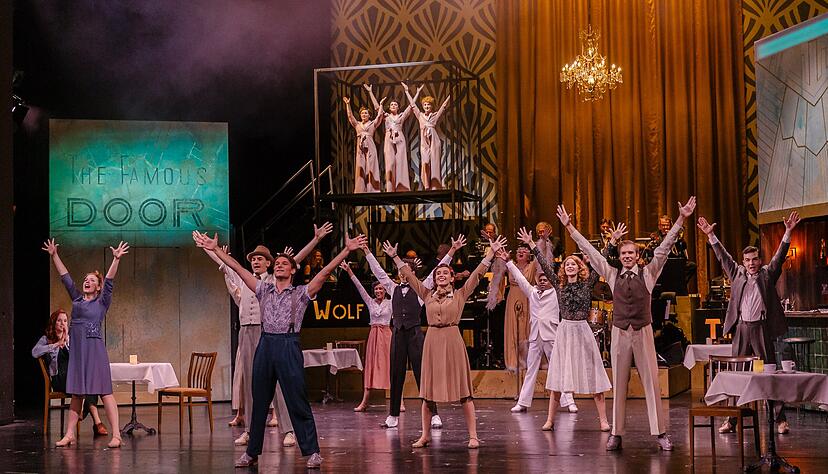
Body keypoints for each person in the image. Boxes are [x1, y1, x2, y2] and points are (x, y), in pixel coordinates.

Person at [194, 228, 367, 470]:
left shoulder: (301, 293)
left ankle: (312, 451)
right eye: (277, 264)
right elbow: (240, 270)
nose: (279, 266)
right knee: (259, 400)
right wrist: (215, 251)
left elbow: (326, 271)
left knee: (297, 400)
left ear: (293, 270)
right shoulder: (263, 289)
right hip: (266, 344)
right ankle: (252, 453)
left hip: (288, 344)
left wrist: (346, 250)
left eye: (285, 264)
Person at [560, 196, 696, 451]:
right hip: (621, 332)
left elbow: (666, 247)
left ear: (637, 255)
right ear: (619, 256)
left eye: (631, 253)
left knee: (652, 384)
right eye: (623, 253)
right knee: (619, 384)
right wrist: (569, 227)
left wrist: (681, 219)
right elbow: (589, 251)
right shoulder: (611, 274)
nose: (627, 257)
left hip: (643, 331)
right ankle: (616, 433)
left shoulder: (649, 273)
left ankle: (660, 433)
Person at [200, 223, 333, 448]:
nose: (255, 261)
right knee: (251, 384)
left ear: (269, 263)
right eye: (253, 259)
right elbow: (226, 264)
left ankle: (288, 430)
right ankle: (252, 430)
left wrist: (316, 240)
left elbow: (295, 261)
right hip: (246, 333)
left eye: (260, 259)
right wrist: (209, 249)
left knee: (280, 385)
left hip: (269, 333)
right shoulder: (244, 279)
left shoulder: (273, 282)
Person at [383, 234, 506, 449]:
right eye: (437, 273)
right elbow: (410, 277)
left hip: (452, 342)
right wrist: (395, 258)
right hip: (432, 342)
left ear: (451, 278)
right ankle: (425, 435)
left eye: (444, 273)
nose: (440, 275)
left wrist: (490, 254)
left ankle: (473, 435)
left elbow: (476, 276)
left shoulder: (460, 294)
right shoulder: (426, 294)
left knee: (464, 392)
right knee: (427, 392)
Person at [698, 211, 800, 435]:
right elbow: (723, 257)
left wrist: (788, 231)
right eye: (747, 260)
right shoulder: (737, 274)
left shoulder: (766, 275)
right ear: (743, 262)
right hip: (742, 330)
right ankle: (731, 420)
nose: (752, 263)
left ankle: (780, 419)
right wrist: (711, 236)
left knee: (768, 374)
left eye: (755, 259)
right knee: (737, 373)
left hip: (761, 330)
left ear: (759, 261)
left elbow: (779, 256)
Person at [363, 236, 468, 429]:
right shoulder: (392, 288)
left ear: (412, 272)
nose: (402, 274)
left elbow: (439, 270)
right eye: (400, 271)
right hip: (398, 335)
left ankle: (434, 414)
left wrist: (452, 251)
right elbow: (378, 272)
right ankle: (393, 414)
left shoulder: (423, 291)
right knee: (396, 373)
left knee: (423, 373)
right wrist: (367, 252)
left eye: (406, 271)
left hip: (415, 335)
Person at [512, 228, 610, 430]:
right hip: (565, 331)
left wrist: (612, 243)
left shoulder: (587, 284)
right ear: (563, 269)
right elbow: (546, 266)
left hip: (582, 330)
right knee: (557, 375)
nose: (570, 266)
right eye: (567, 265)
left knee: (594, 375)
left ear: (579, 267)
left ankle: (603, 420)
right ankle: (550, 420)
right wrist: (532, 244)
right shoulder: (559, 285)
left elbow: (600, 264)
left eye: (574, 264)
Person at [43, 238, 128, 449]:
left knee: (105, 392)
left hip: (95, 351)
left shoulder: (102, 301)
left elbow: (109, 280)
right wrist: (55, 255)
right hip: (79, 353)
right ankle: (70, 434)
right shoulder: (77, 300)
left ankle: (116, 435)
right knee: (77, 393)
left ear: (98, 287)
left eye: (91, 280)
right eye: (85, 279)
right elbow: (66, 279)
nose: (86, 281)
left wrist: (116, 259)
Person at [499, 230, 578, 417]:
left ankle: (569, 401)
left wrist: (536, 245)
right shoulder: (532, 292)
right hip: (535, 337)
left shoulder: (556, 292)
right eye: (540, 279)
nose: (542, 281)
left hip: (551, 335)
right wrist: (509, 262)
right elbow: (518, 278)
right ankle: (523, 402)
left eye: (545, 279)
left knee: (558, 369)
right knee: (530, 370)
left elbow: (544, 266)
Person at [32, 309, 107, 436]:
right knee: (85, 383)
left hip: (74, 377)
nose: (62, 323)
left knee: (90, 384)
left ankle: (95, 421)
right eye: (59, 321)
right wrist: (56, 345)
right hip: (59, 379)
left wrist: (67, 342)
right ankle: (92, 419)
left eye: (65, 321)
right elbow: (35, 352)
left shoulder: (71, 340)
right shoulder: (47, 339)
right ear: (54, 322)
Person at [339, 261, 392, 412]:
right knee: (370, 367)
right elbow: (359, 287)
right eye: (376, 289)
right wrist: (349, 271)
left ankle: (399, 401)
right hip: (374, 335)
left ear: (385, 290)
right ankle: (365, 401)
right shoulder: (370, 302)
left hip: (386, 335)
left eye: (381, 288)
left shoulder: (391, 302)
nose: (378, 291)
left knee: (390, 366)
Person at [365, 83, 418, 192]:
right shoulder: (386, 116)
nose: (393, 106)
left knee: (401, 161)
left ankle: (402, 188)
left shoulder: (402, 116)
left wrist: (410, 92)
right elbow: (376, 108)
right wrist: (370, 92)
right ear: (389, 107)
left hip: (399, 138)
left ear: (398, 107)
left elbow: (412, 106)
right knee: (390, 163)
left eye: (395, 104)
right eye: (391, 105)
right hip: (389, 138)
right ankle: (390, 188)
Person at [403, 83, 450, 190]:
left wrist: (450, 95)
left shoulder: (435, 115)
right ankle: (426, 185)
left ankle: (436, 185)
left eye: (429, 105)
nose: (427, 106)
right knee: (425, 162)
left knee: (435, 162)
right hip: (424, 142)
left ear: (432, 106)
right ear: (423, 106)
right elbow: (412, 105)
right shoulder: (420, 115)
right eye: (425, 105)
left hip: (434, 140)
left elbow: (443, 106)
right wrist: (407, 91)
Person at [501, 244, 537, 374]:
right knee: (513, 328)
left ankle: (528, 361)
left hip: (527, 298)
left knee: (526, 328)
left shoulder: (532, 266)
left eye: (524, 251)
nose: (521, 252)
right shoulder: (510, 265)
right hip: (513, 298)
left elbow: (542, 255)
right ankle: (513, 362)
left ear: (529, 255)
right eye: (518, 251)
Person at [344, 95, 384, 193]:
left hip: (370, 146)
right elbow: (350, 116)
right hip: (360, 147)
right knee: (360, 167)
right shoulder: (357, 124)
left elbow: (380, 116)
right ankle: (360, 189)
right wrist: (348, 104)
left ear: (369, 115)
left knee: (371, 166)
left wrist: (381, 105)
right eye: (362, 113)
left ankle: (373, 190)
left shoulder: (373, 124)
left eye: (366, 113)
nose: (364, 115)